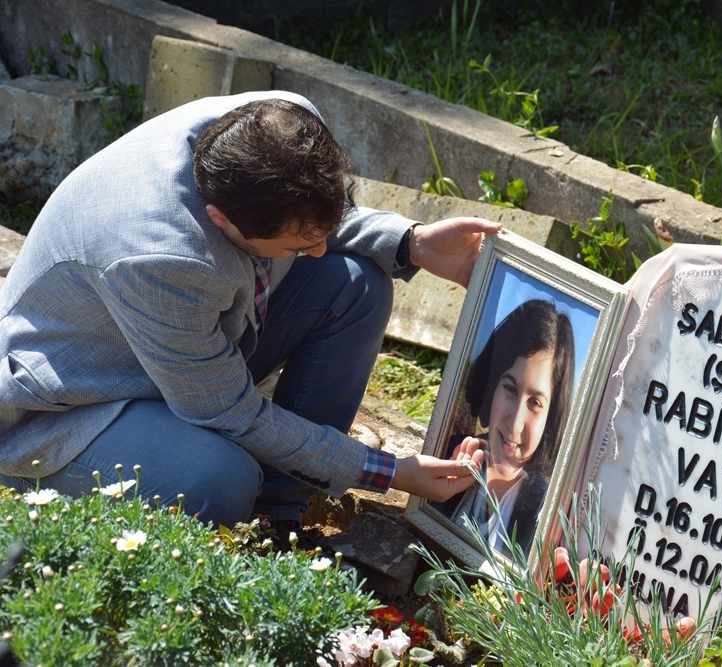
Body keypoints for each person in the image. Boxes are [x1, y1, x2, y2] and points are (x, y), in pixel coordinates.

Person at [0, 91, 496, 529]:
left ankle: (279, 507)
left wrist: (411, 242)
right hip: (73, 405)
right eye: (295, 247)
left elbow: (306, 215)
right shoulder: (160, 259)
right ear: (221, 220)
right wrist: (386, 472)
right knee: (220, 481)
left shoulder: (279, 123)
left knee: (356, 284)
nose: (319, 250)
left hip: (182, 352)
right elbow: (227, 409)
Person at [437, 299, 574, 558]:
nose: (515, 422)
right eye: (510, 389)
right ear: (491, 387)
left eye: (535, 403)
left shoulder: (546, 515)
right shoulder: (445, 456)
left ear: (551, 418)